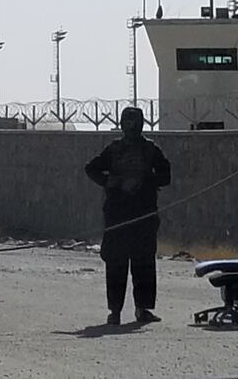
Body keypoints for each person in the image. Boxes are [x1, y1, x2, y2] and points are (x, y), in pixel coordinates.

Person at [85, 107, 171, 325]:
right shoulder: (114, 150)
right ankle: (115, 311)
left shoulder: (150, 149)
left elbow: (165, 175)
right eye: (127, 122)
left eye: (134, 122)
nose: (131, 127)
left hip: (143, 216)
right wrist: (111, 182)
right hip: (118, 216)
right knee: (116, 264)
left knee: (143, 264)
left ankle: (143, 309)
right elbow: (91, 168)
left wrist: (144, 181)